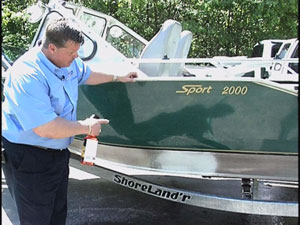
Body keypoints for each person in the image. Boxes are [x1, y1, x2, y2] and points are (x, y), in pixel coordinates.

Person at [1, 17, 137, 225]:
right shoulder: (27, 75)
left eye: (77, 53)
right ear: (52, 48)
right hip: (29, 156)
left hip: (57, 154)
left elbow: (87, 74)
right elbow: (45, 128)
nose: (75, 58)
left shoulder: (68, 62)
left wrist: (118, 76)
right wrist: (86, 126)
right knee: (36, 220)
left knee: (57, 216)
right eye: (71, 53)